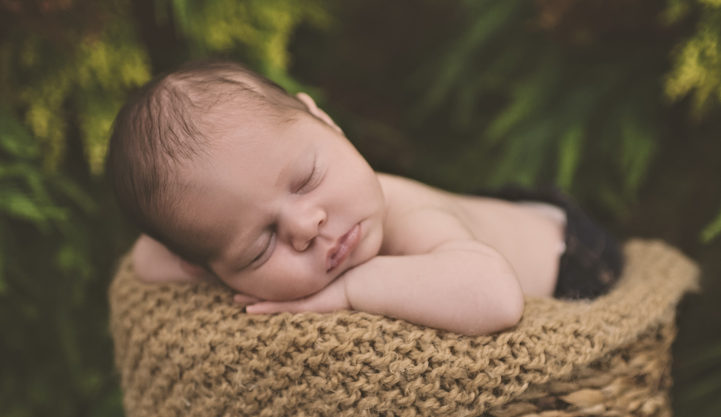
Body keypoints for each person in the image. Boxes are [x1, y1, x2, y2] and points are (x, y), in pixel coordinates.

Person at [106, 60, 622, 336]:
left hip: (567, 255)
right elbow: (150, 259)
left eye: (306, 178)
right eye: (261, 245)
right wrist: (196, 251)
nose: (307, 225)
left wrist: (352, 289)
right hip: (478, 224)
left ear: (326, 122)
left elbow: (497, 298)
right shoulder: (209, 252)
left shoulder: (405, 217)